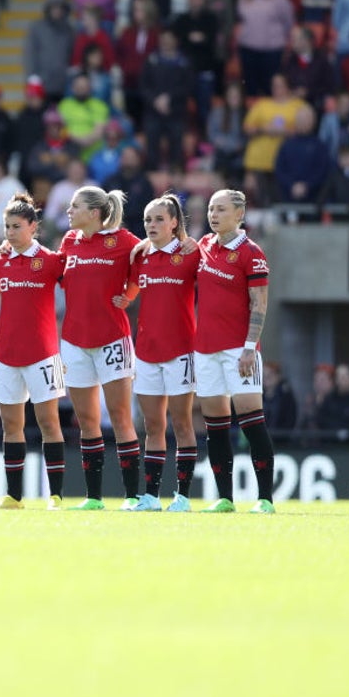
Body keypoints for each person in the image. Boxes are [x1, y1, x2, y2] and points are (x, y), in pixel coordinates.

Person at [0, 193, 67, 509]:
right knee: (12, 426)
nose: (10, 232)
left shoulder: (52, 261)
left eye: (16, 226)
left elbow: (81, 286)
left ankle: (56, 496)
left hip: (46, 355)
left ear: (33, 226)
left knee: (49, 423)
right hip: (6, 355)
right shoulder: (0, 263)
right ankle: (14, 496)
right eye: (6, 226)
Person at [59, 186, 141, 510]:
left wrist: (130, 294)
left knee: (121, 417)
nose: (68, 210)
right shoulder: (68, 242)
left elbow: (148, 258)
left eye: (74, 206)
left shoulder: (123, 241)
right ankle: (93, 498)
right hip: (75, 343)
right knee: (87, 421)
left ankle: (132, 497)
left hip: (112, 339)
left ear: (94, 213)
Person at [116, 195, 199, 511]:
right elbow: (134, 287)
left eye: (159, 219)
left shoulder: (191, 254)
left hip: (180, 351)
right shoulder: (141, 256)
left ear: (174, 223)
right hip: (146, 352)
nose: (152, 225)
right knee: (152, 426)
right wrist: (126, 299)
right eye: (148, 220)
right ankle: (150, 496)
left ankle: (184, 496)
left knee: (182, 424)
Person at [194, 189, 276, 514]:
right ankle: (225, 498)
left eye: (221, 209)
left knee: (252, 422)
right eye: (211, 208)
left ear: (239, 214)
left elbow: (260, 303)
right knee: (215, 427)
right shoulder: (203, 246)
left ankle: (265, 499)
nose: (213, 214)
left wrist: (248, 348)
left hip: (239, 351)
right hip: (206, 350)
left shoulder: (251, 253)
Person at [243, 73, 309, 205]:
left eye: (280, 85)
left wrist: (285, 131)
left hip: (286, 161)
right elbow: (247, 127)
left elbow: (307, 128)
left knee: (280, 198)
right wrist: (263, 129)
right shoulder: (262, 104)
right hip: (259, 160)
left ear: (288, 87)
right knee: (259, 198)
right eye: (274, 85)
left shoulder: (299, 105)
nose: (276, 88)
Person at [237, 0, 294, 99]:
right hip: (248, 49)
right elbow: (241, 20)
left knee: (270, 87)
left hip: (272, 51)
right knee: (250, 86)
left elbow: (288, 21)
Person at [140, 28, 194, 171]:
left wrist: (169, 98)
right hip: (153, 110)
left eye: (169, 39)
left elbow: (188, 86)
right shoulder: (152, 60)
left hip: (176, 111)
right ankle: (152, 175)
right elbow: (143, 86)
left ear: (176, 41)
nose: (166, 42)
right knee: (151, 143)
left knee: (176, 146)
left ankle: (176, 177)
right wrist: (155, 101)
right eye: (163, 39)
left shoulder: (183, 62)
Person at [171, 0, 221, 127]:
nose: (194, 1)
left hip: (205, 71)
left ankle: (205, 140)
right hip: (185, 72)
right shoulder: (181, 19)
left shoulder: (211, 19)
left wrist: (194, 39)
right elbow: (179, 42)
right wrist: (195, 39)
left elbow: (210, 42)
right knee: (180, 110)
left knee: (204, 110)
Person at [115, 0, 158, 126]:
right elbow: (119, 54)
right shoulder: (127, 32)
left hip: (150, 87)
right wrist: (125, 68)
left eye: (139, 10)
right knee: (131, 120)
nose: (136, 13)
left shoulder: (156, 33)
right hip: (129, 83)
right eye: (134, 10)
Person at [273, 106, 330, 205]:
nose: (303, 122)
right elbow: (279, 169)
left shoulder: (319, 146)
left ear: (313, 121)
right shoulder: (286, 145)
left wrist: (307, 186)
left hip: (314, 199)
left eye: (306, 119)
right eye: (301, 119)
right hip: (288, 196)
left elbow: (322, 170)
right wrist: (291, 185)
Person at [25, 0, 74, 104]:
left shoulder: (68, 29)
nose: (57, 11)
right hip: (42, 81)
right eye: (54, 8)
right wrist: (33, 76)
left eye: (60, 8)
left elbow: (71, 52)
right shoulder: (37, 28)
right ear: (48, 9)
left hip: (62, 82)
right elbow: (31, 52)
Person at [280, 26, 335, 114]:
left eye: (294, 39)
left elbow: (329, 86)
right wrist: (292, 92)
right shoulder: (289, 61)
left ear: (306, 41)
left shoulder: (322, 61)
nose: (291, 42)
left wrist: (308, 92)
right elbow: (283, 81)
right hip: (292, 103)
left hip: (316, 104)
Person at [57, 72, 110, 162]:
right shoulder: (64, 105)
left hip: (94, 154)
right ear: (73, 88)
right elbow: (60, 129)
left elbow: (99, 131)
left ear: (90, 88)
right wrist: (79, 140)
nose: (81, 89)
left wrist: (84, 141)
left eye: (84, 87)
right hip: (69, 151)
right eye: (78, 86)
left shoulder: (100, 106)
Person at [208, 81, 246, 182]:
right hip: (221, 155)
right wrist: (228, 144)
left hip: (239, 158)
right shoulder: (218, 112)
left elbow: (246, 138)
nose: (234, 99)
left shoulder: (246, 114)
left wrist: (236, 146)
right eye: (231, 96)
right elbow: (212, 134)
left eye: (236, 96)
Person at [320, 145, 349, 211]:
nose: (345, 160)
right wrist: (320, 201)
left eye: (348, 157)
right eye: (342, 157)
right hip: (338, 210)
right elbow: (326, 189)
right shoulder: (334, 175)